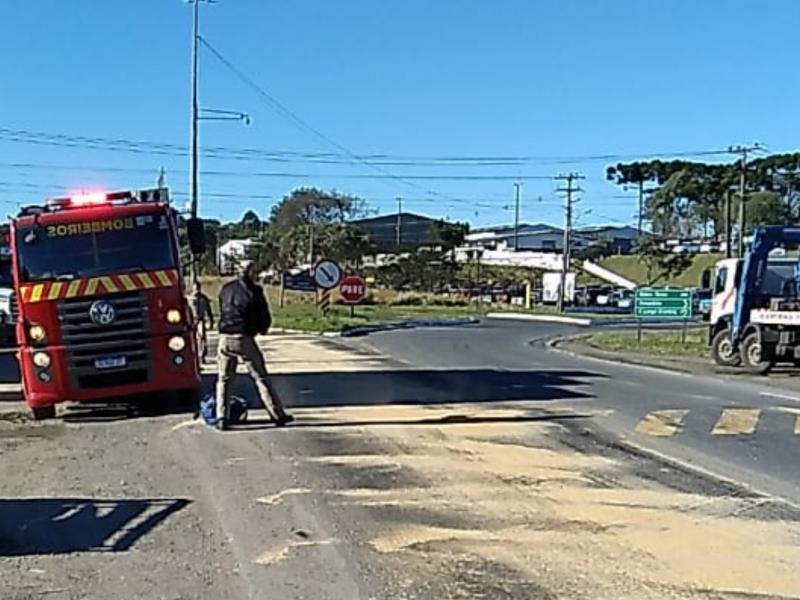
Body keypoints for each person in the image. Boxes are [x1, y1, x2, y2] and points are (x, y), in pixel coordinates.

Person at [215, 260, 293, 430]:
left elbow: (222, 308)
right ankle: (277, 414)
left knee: (224, 379)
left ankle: (221, 417)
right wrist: (262, 329)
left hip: (224, 338)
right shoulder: (254, 291)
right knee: (260, 377)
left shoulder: (226, 289)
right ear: (251, 273)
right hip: (244, 338)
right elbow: (263, 316)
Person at [188, 281, 214, 363]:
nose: (197, 290)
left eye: (198, 288)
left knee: (202, 338)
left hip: (200, 320)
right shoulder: (189, 299)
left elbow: (209, 310)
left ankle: (202, 356)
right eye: (195, 288)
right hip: (191, 321)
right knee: (192, 339)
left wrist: (211, 321)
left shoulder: (204, 298)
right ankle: (194, 356)